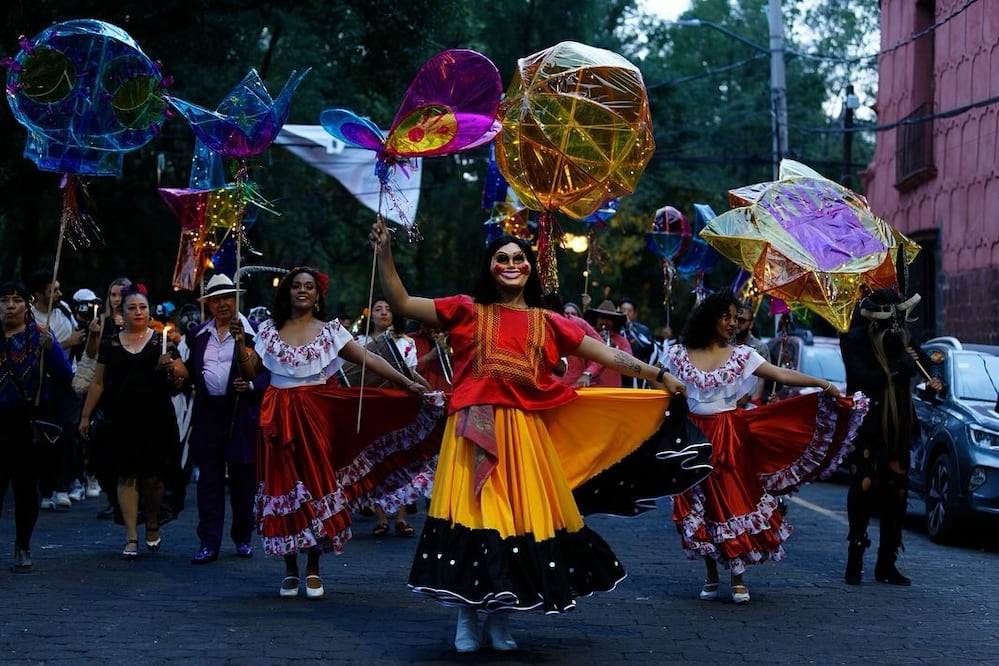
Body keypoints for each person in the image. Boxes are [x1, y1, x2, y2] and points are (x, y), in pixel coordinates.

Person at [369, 220, 690, 653]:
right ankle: (466, 616)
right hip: (471, 431)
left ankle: (501, 617)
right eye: (502, 257)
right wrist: (385, 253)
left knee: (512, 522)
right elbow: (402, 300)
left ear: (530, 269)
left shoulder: (550, 322)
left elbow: (608, 354)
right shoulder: (466, 309)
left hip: (524, 435)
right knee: (475, 517)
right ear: (490, 266)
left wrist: (660, 373)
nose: (511, 263)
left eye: (519, 258)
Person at [231, 266, 443, 600]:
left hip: (316, 414)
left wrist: (406, 382)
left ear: (318, 295)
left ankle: (313, 568)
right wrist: (238, 343)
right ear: (287, 292)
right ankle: (289, 571)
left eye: (309, 287)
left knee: (316, 485)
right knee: (283, 485)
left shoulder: (329, 332)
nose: (302, 291)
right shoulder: (269, 330)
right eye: (296, 286)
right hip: (277, 415)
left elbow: (370, 360)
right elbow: (250, 369)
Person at [666, 291, 866, 604]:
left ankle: (737, 575)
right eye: (727, 317)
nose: (733, 323)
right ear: (710, 318)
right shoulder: (679, 353)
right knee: (697, 502)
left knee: (731, 502)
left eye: (736, 318)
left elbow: (780, 374)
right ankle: (711, 575)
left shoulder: (743, 355)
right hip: (691, 436)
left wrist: (824, 384)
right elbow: (661, 387)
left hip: (728, 436)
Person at [839, 288, 942, 586]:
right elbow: (860, 377)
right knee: (864, 485)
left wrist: (935, 377)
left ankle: (887, 562)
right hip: (867, 421)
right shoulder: (854, 338)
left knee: (897, 490)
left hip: (898, 424)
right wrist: (898, 370)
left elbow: (926, 360)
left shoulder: (904, 340)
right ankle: (855, 556)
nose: (895, 326)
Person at [78, 284, 188, 559]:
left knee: (153, 479)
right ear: (122, 312)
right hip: (122, 419)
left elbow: (183, 374)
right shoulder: (111, 342)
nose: (138, 312)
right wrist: (85, 415)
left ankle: (152, 523)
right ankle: (130, 535)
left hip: (156, 419)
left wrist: (172, 368)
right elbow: (99, 382)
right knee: (126, 476)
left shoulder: (162, 341)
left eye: (142, 307)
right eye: (132, 308)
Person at [184, 274, 269, 564]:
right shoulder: (197, 334)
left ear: (236, 299)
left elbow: (269, 373)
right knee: (208, 481)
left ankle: (243, 536)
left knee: (243, 482)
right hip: (209, 414)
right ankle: (208, 542)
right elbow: (188, 371)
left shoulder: (256, 333)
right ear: (208, 304)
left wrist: (253, 386)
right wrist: (174, 374)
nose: (223, 304)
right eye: (216, 299)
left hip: (242, 415)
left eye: (227, 298)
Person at [0, 281, 73, 573]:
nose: (9, 306)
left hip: (26, 421)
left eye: (16, 300)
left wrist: (52, 349)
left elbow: (65, 375)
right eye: (4, 300)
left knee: (24, 486)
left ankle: (22, 545)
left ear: (26, 306)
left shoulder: (39, 335)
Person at [354, 296, 423, 537]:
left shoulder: (406, 343)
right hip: (373, 406)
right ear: (369, 314)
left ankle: (401, 518)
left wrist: (429, 391)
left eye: (388, 309)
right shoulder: (358, 343)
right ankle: (381, 518)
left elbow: (412, 373)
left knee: (401, 462)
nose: (383, 313)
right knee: (376, 463)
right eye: (378, 309)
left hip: (401, 406)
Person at [28, 268, 83, 511]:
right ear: (40, 294)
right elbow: (34, 352)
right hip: (42, 385)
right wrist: (64, 343)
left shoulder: (64, 310)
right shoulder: (28, 317)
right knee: (46, 437)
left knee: (68, 430)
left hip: (66, 381)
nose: (60, 293)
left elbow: (76, 338)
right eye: (54, 290)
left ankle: (65, 484)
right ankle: (47, 488)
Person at [583, 299, 633, 387]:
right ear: (597, 319)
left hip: (614, 389)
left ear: (614, 321)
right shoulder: (588, 337)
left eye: (609, 319)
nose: (605, 322)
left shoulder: (621, 340)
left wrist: (616, 349)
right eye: (602, 317)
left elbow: (630, 364)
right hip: (591, 388)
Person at [734, 301, 771, 407]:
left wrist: (754, 400)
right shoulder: (725, 343)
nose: (737, 324)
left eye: (742, 321)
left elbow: (762, 378)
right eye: (736, 319)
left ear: (751, 324)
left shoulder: (759, 348)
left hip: (750, 403)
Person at [620, 297, 655, 363]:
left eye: (629, 311)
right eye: (623, 310)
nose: (626, 313)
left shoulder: (643, 330)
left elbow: (648, 349)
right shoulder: (615, 327)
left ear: (635, 314)